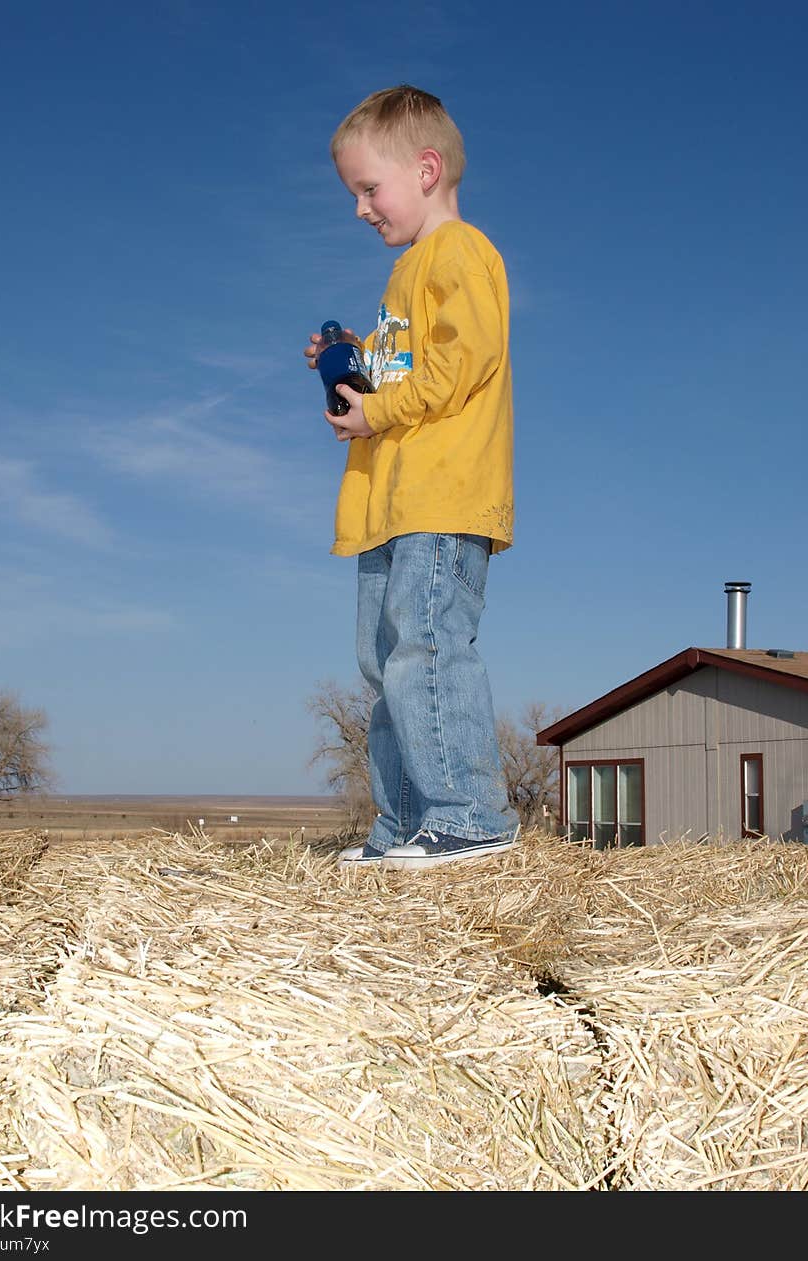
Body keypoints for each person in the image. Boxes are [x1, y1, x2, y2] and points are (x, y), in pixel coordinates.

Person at [304, 84, 520, 871]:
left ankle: (469, 814)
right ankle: (401, 826)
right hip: (391, 506)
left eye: (369, 189)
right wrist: (356, 364)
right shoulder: (407, 276)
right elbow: (413, 363)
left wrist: (379, 408)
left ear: (426, 169)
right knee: (383, 664)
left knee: (425, 648)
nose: (361, 208)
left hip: (441, 497)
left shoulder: (460, 253)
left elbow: (464, 362)